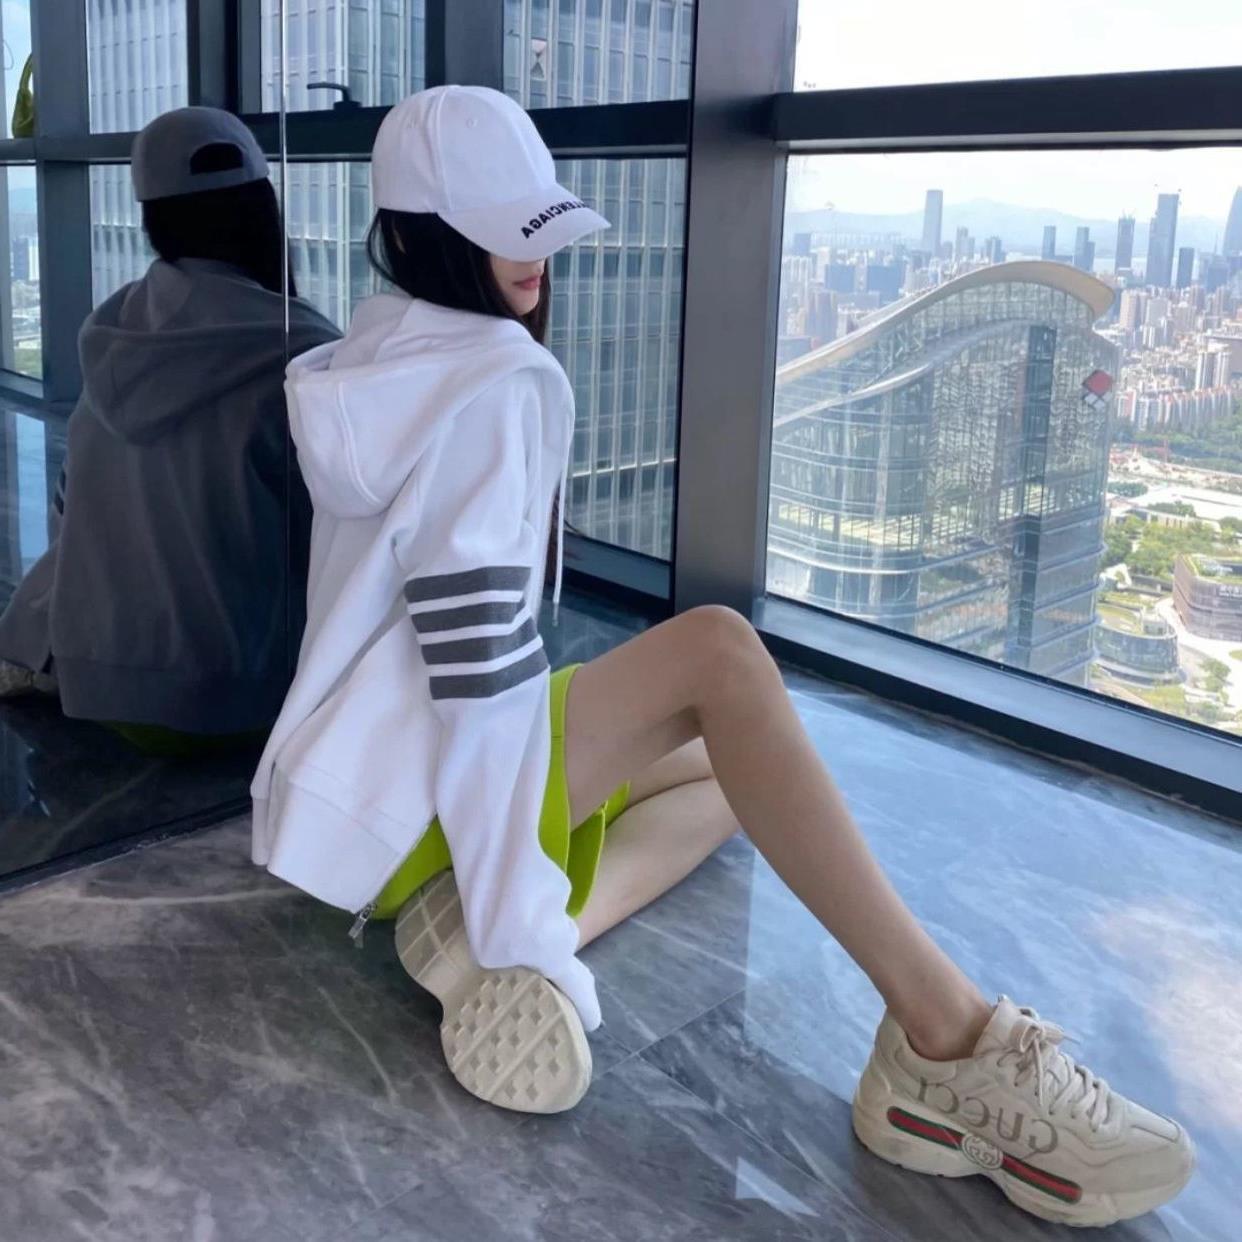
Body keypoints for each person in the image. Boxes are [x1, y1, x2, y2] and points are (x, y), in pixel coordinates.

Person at [250, 86, 1193, 1229]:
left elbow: (455, 654)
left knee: (739, 777)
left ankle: (488, 940)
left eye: (536, 224)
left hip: (355, 786)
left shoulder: (369, 358)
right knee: (723, 657)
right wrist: (517, 921)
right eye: (501, 230)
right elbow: (480, 679)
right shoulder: (495, 382)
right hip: (423, 793)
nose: (532, 256)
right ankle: (947, 1045)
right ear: (419, 236)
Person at [0, 107, 340, 756]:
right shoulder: (303, 349)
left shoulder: (114, 330)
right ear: (264, 212)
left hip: (98, 686)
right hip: (240, 699)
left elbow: (71, 512)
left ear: (152, 221)